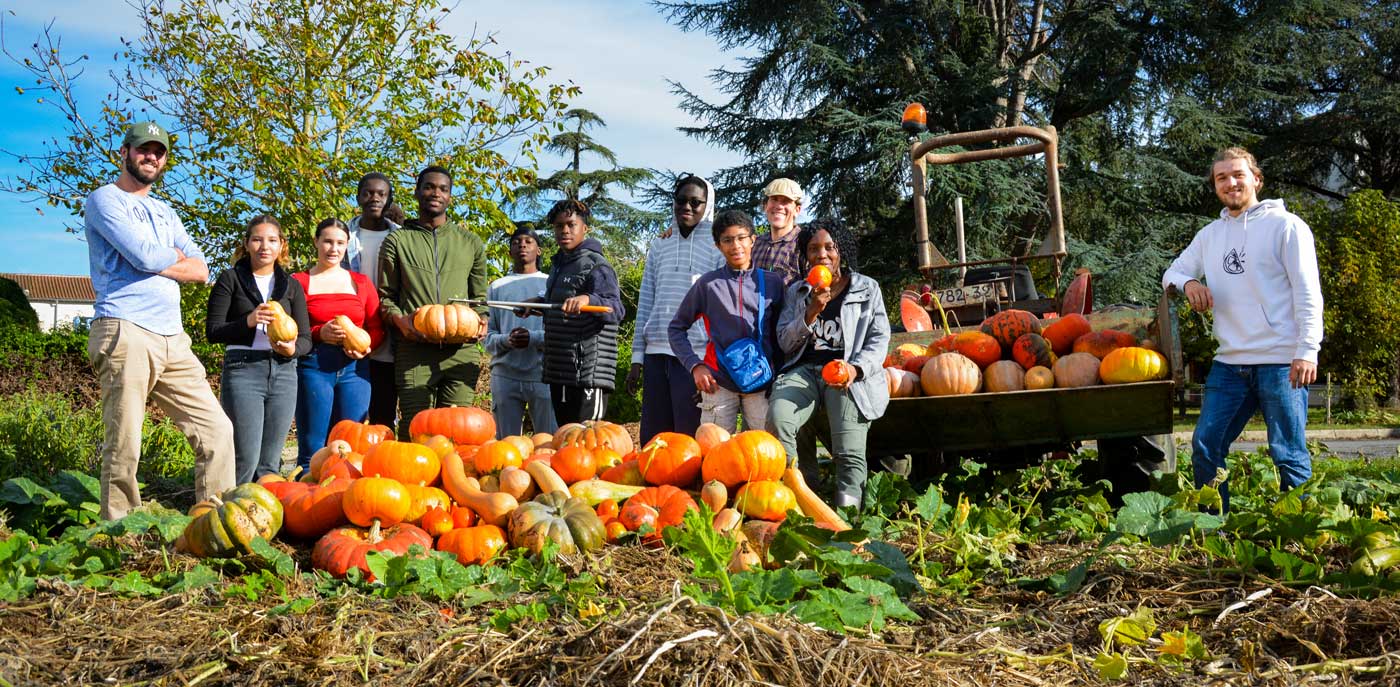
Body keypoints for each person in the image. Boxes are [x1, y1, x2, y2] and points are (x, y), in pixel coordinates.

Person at [84, 121, 236, 519]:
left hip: (173, 336)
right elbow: (144, 256)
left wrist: (161, 257)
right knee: (125, 441)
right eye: (142, 149)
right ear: (125, 153)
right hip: (125, 328)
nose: (150, 156)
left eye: (158, 152)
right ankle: (120, 531)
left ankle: (215, 522)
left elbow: (202, 269)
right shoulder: (105, 199)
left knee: (217, 430)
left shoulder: (165, 211)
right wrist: (168, 258)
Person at [1162, 147, 1323, 512]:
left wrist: (1307, 349)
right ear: (1215, 185)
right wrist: (1189, 284)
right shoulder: (1210, 235)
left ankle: (1302, 532)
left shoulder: (1287, 227)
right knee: (1206, 444)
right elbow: (1171, 273)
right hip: (1230, 364)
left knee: (1288, 453)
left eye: (1238, 175)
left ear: (1256, 178)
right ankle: (1214, 524)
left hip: (1282, 362)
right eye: (1222, 177)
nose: (1230, 183)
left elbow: (1307, 292)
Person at [767, 218, 890, 509]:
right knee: (779, 418)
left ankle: (847, 517)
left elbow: (879, 339)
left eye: (829, 247)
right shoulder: (798, 292)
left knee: (848, 452)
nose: (821, 254)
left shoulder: (866, 289)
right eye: (813, 249)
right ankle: (799, 503)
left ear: (840, 252)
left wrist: (856, 369)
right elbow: (785, 341)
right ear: (806, 256)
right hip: (805, 372)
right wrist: (810, 313)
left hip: (846, 374)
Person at [377, 166, 490, 439]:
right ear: (417, 192)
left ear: (450, 196)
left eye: (443, 189)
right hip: (414, 348)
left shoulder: (470, 242)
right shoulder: (398, 240)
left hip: (461, 351)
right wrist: (400, 322)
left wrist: (482, 320)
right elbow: (385, 297)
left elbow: (479, 299)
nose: (435, 193)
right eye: (429, 187)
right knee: (415, 430)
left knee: (458, 433)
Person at [206, 215, 312, 484]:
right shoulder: (231, 279)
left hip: (285, 371)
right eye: (257, 239)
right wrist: (248, 321)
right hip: (243, 369)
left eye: (272, 240)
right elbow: (213, 331)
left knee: (269, 462)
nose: (264, 246)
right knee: (245, 457)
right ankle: (233, 511)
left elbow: (307, 338)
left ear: (281, 246)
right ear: (246, 244)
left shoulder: (291, 285)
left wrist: (292, 349)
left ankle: (265, 519)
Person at [669, 209, 784, 434]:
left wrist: (778, 374)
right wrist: (695, 366)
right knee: (714, 454)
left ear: (753, 240)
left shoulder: (772, 283)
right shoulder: (708, 285)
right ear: (718, 245)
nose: (736, 245)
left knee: (765, 454)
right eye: (727, 240)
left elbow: (782, 333)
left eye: (742, 237)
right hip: (718, 382)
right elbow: (676, 328)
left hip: (762, 383)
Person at [627, 175, 724, 442]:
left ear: (708, 205)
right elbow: (646, 300)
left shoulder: (717, 247)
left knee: (689, 440)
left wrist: (709, 364)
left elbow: (719, 312)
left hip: (693, 358)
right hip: (656, 354)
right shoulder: (660, 245)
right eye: (681, 200)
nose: (688, 207)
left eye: (696, 202)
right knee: (654, 440)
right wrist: (637, 358)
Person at [293, 218, 385, 469]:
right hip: (314, 368)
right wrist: (318, 333)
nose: (333, 249)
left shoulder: (361, 282)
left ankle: (343, 501)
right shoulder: (299, 281)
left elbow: (376, 327)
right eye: (328, 242)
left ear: (347, 246)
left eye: (340, 243)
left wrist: (367, 347)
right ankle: (306, 501)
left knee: (351, 447)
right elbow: (292, 329)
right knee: (314, 446)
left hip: (355, 371)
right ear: (316, 242)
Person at [537, 200, 626, 425]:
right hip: (560, 371)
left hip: (588, 374)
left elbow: (616, 308)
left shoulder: (597, 265)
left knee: (588, 442)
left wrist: (587, 299)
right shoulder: (558, 266)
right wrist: (537, 304)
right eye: (558, 226)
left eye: (571, 224)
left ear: (584, 228)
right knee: (565, 444)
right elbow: (561, 306)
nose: (564, 231)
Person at [485, 227, 557, 437]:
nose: (522, 245)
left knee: (548, 442)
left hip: (542, 375)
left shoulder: (550, 283)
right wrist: (507, 340)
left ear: (539, 250)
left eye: (528, 241)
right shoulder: (497, 286)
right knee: (506, 446)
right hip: (505, 375)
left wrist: (533, 339)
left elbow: (560, 334)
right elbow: (488, 338)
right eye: (516, 242)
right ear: (509, 252)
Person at [343, 173, 401, 429]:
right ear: (358, 196)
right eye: (368, 193)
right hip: (354, 324)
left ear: (389, 200)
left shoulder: (401, 237)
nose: (374, 198)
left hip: (389, 325)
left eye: (381, 194)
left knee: (384, 404)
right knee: (351, 410)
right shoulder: (344, 235)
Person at [752, 178, 805, 286]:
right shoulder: (755, 244)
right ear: (765, 206)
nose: (779, 206)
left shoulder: (804, 244)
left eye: (786, 201)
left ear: (797, 210)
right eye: (774, 199)